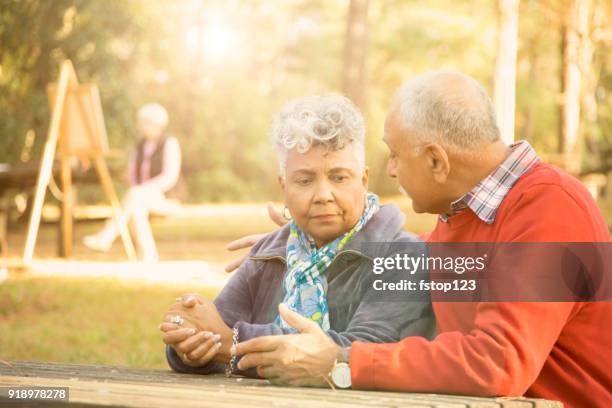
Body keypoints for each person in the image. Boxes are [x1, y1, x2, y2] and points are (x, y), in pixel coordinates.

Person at [230, 71, 611, 407]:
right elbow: (404, 255)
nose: (392, 171)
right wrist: (307, 240)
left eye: (394, 155)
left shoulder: (550, 207)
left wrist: (341, 363)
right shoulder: (462, 219)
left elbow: (497, 362)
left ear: (436, 161)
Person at [158, 95, 435, 376]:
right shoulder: (271, 252)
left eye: (339, 178)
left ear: (363, 181)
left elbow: (364, 350)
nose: (323, 195)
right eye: (304, 180)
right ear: (284, 186)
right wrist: (192, 344)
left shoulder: (403, 256)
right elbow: (214, 328)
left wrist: (233, 343)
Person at [84, 103, 181, 261]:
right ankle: (148, 256)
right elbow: (131, 176)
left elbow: (169, 177)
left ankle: (106, 236)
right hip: (141, 197)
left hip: (165, 197)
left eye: (145, 123)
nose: (142, 127)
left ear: (157, 124)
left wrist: (144, 189)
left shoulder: (170, 143)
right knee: (137, 206)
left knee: (136, 196)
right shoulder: (139, 146)